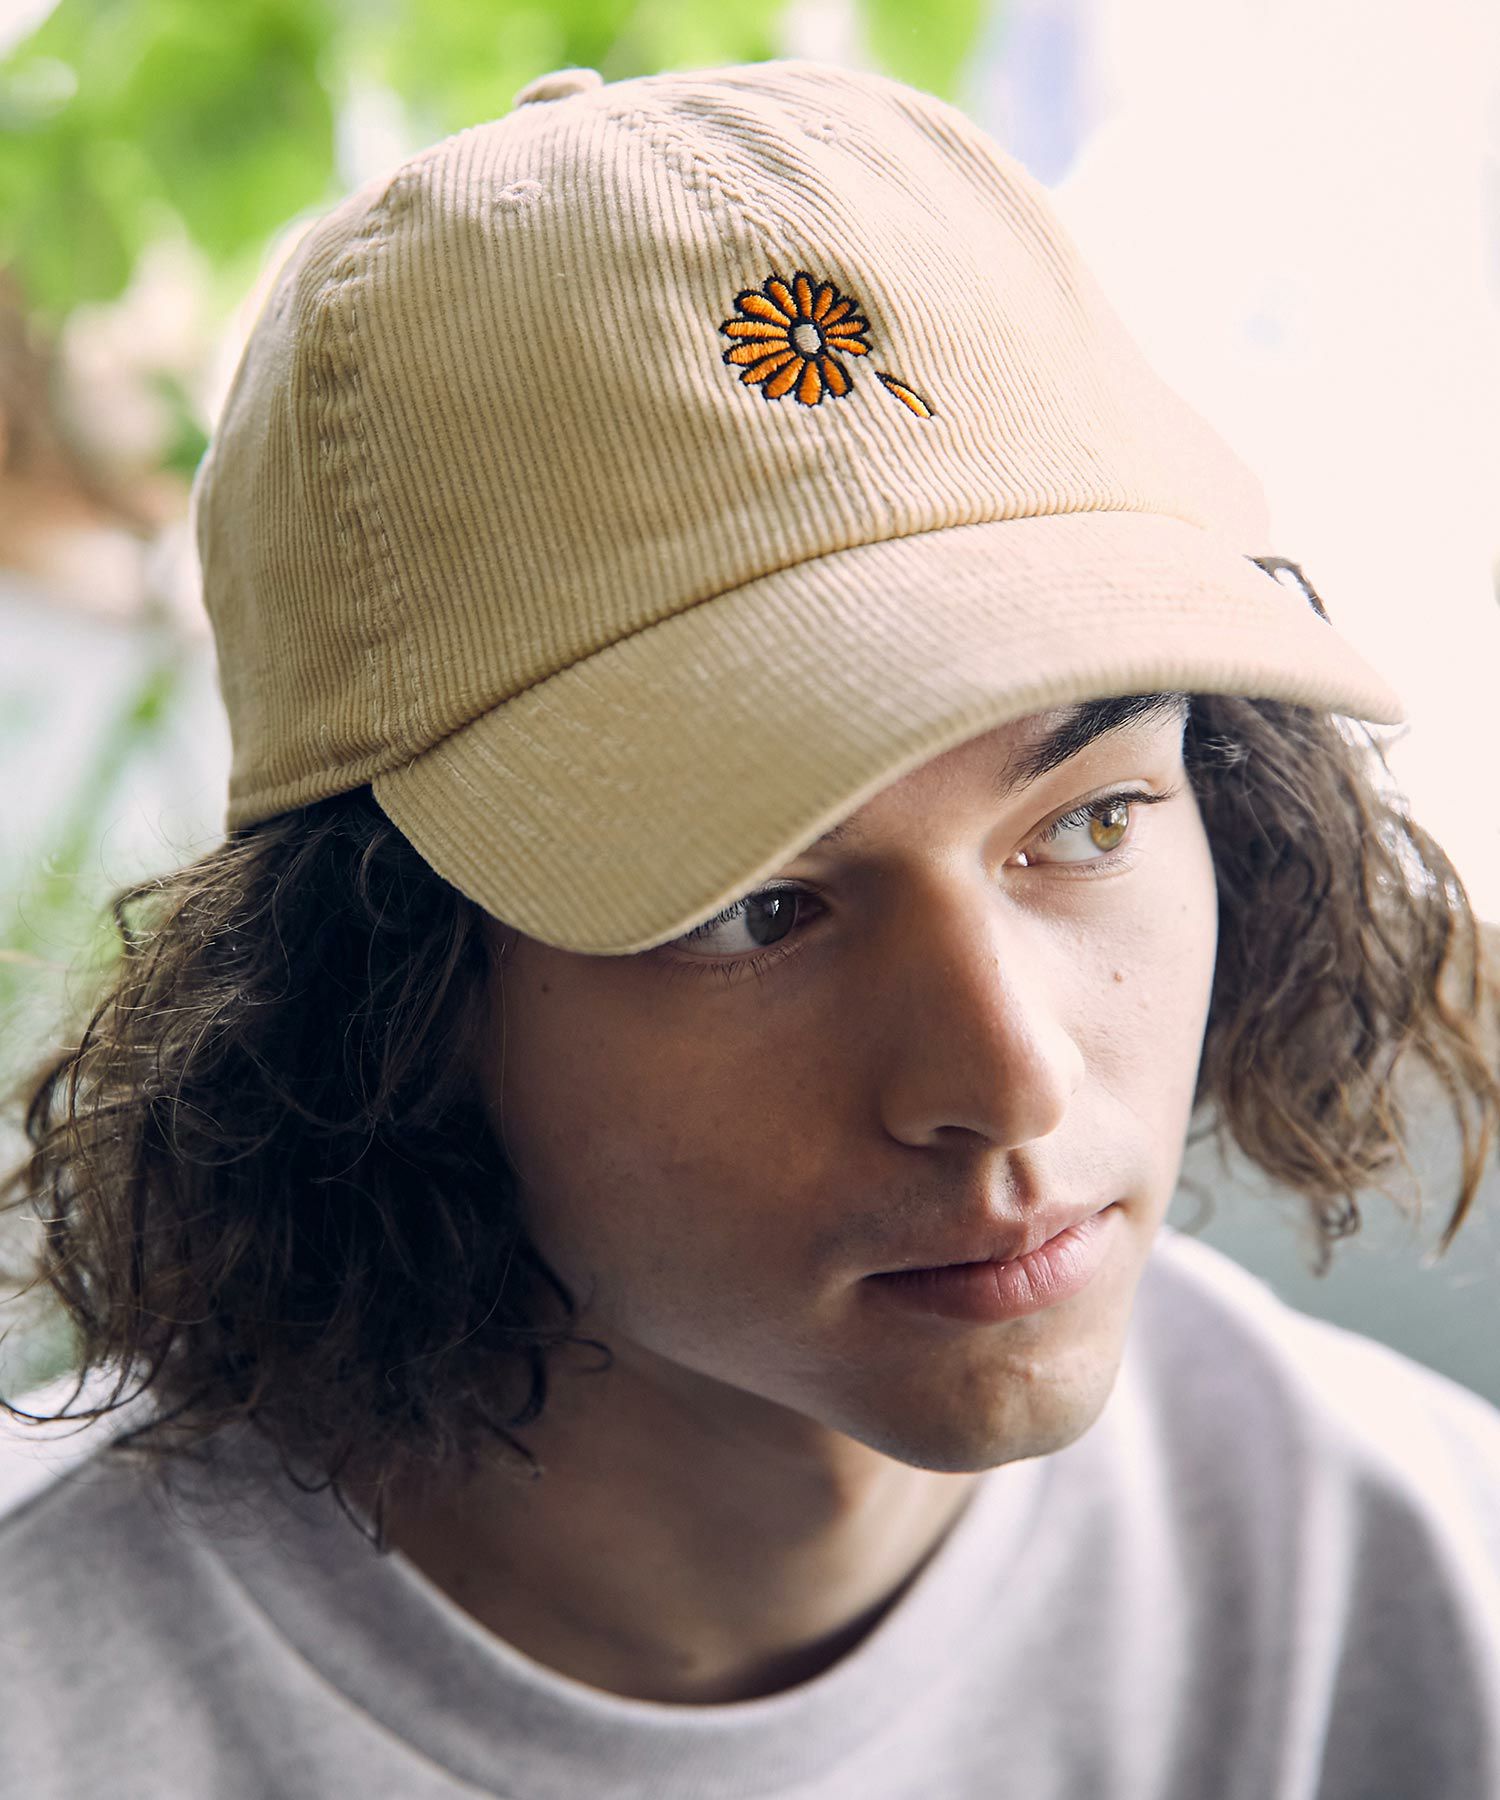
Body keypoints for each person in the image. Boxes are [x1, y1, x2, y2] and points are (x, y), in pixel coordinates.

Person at [2, 54, 1499, 1800]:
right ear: (383, 1006)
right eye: (755, 907)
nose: (1009, 1079)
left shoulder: (1421, 1582)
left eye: (1088, 822)